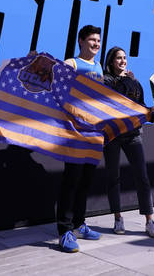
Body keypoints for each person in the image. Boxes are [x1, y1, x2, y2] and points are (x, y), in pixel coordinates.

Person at [102, 46, 154, 238]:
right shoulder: (106, 81)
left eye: (124, 58)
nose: (123, 61)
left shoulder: (134, 82)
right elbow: (115, 99)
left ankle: (149, 221)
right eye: (118, 58)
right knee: (113, 177)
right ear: (111, 61)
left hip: (133, 134)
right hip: (112, 135)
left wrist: (149, 111)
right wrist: (127, 80)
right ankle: (118, 217)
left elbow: (139, 106)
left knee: (142, 177)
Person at [57, 25, 104, 253]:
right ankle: (64, 231)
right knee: (71, 181)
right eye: (92, 40)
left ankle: (79, 224)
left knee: (85, 182)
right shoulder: (72, 63)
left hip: (94, 133)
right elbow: (55, 81)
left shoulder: (99, 67)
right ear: (81, 41)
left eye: (98, 40)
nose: (96, 44)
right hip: (74, 132)